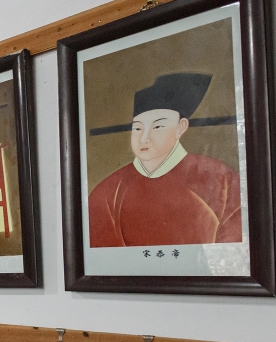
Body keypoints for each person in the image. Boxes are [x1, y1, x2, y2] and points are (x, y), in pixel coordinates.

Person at [88, 72, 242, 247]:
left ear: (181, 127)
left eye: (158, 127)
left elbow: (232, 253)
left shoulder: (223, 182)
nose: (144, 138)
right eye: (137, 129)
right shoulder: (107, 192)